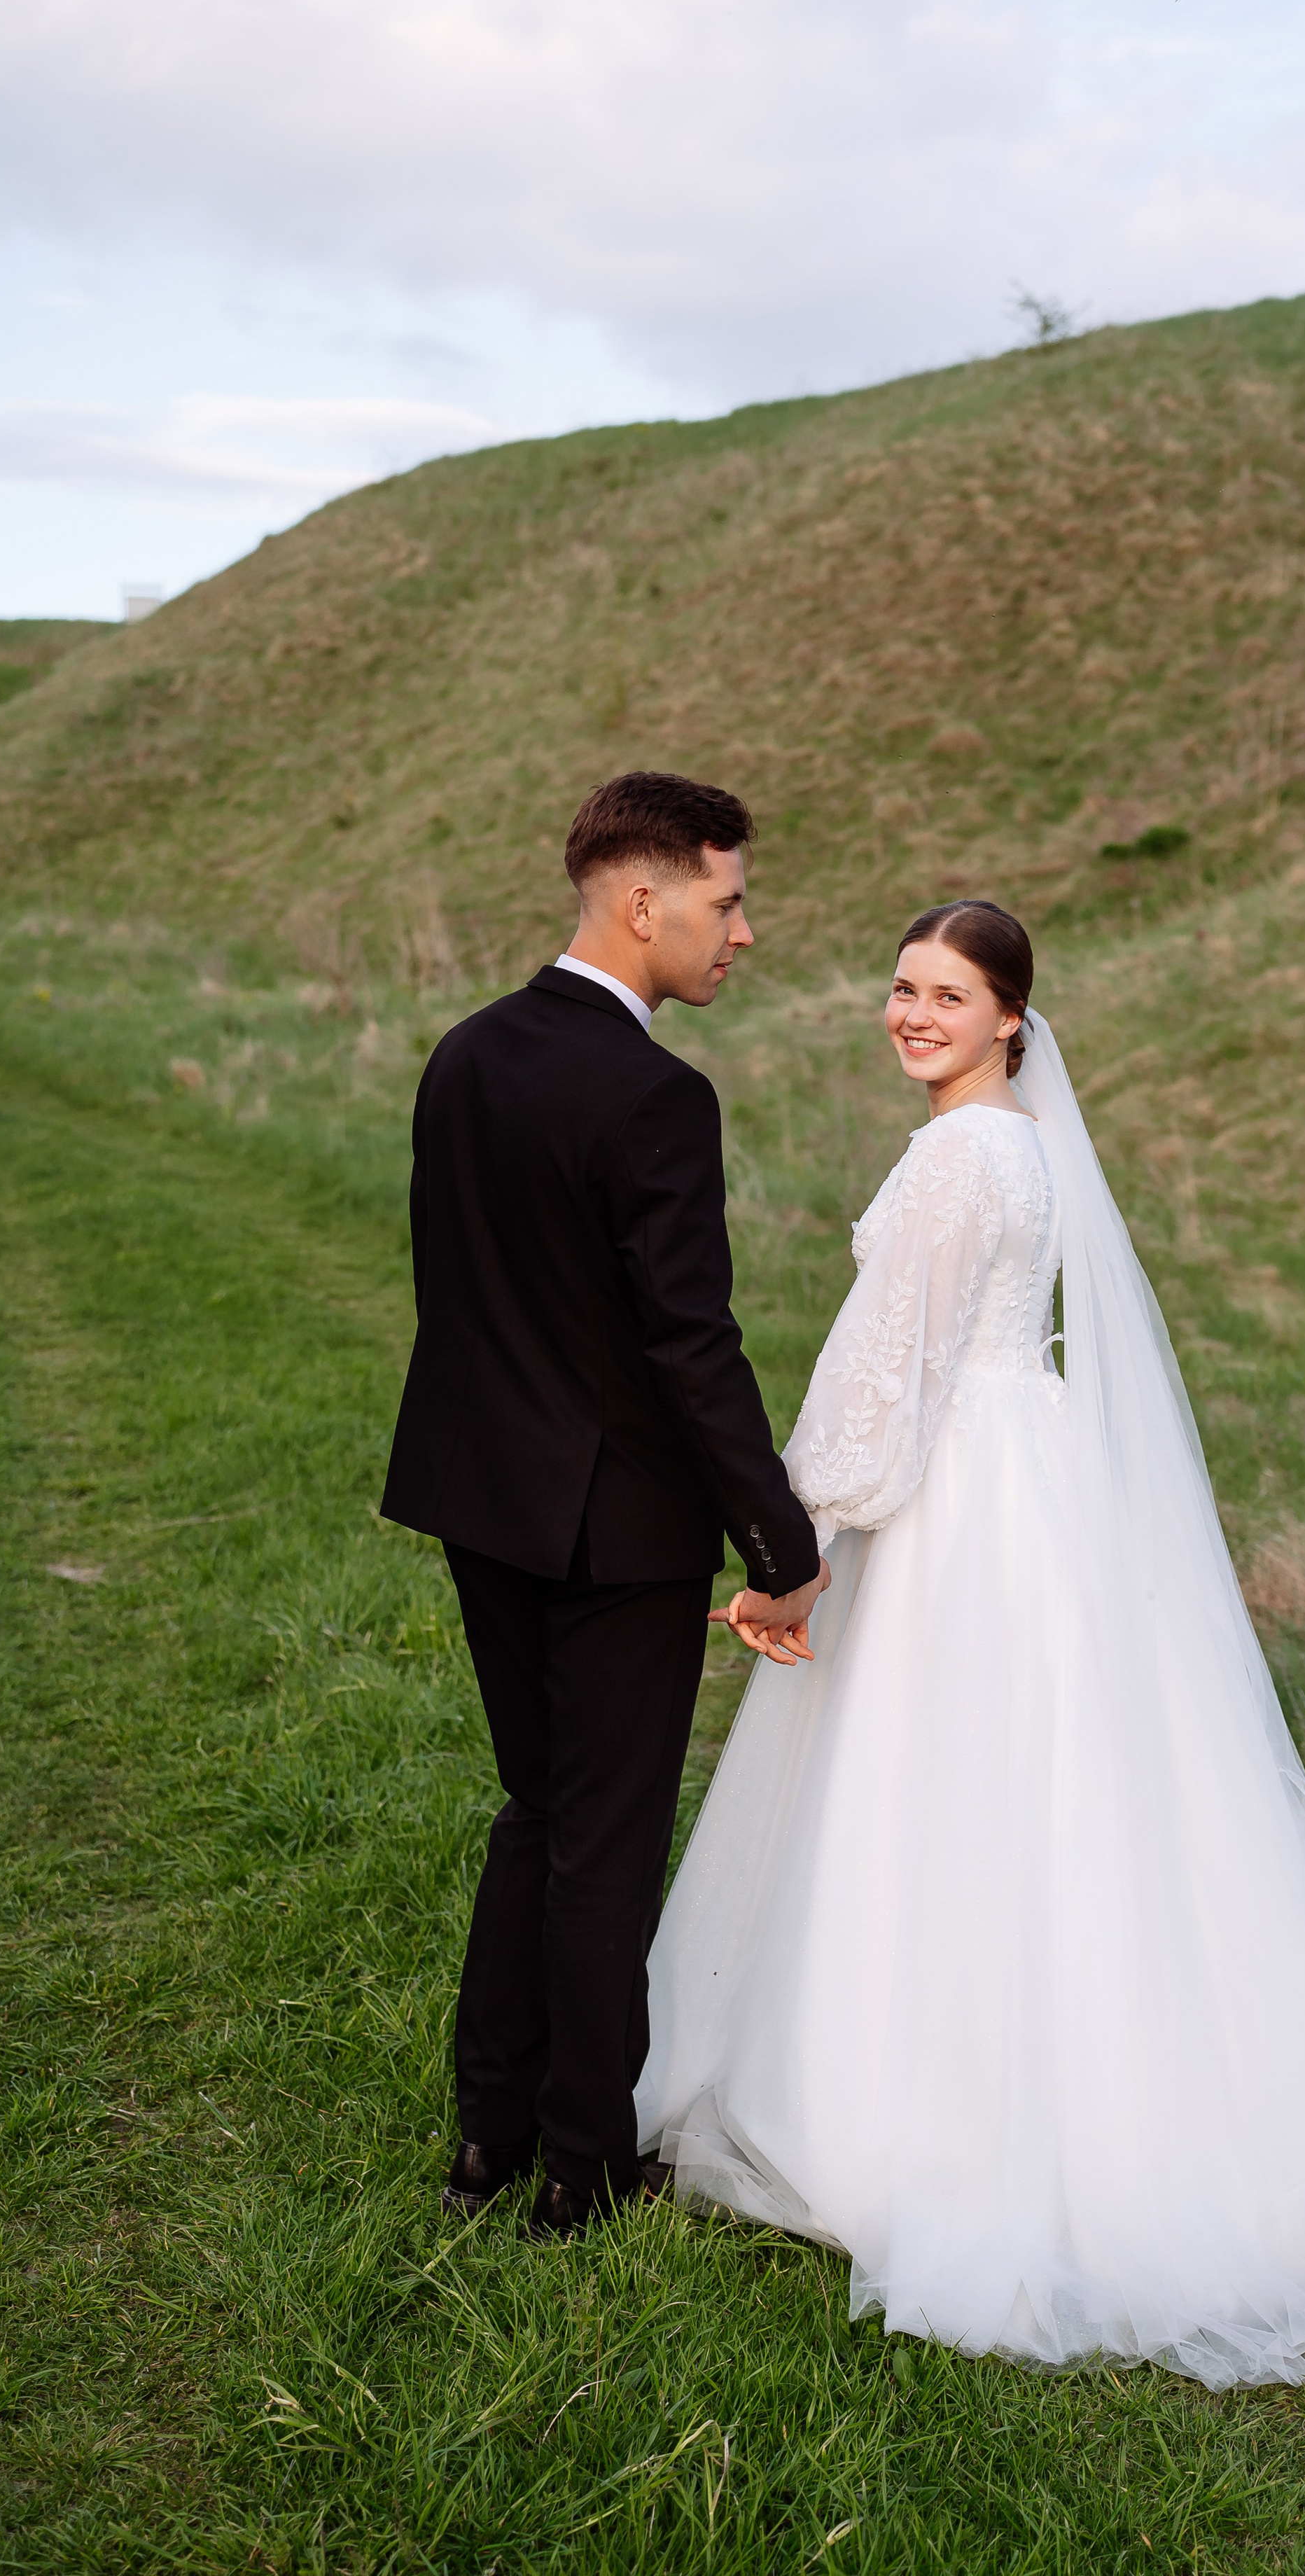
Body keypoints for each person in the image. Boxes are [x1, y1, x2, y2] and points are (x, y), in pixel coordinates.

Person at [637, 898, 1305, 2382]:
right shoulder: (1031, 1151)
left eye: (945, 993)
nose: (909, 1011)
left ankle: (911, 2125)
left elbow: (887, 1376)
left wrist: (792, 1557)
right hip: (1032, 1484)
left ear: (1009, 1017)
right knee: (1055, 1785)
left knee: (928, 1785)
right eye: (898, 984)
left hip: (949, 1502)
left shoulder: (950, 1159)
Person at [381, 772, 826, 2236]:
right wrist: (779, 1539)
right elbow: (687, 1346)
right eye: (726, 900)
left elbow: (463, 1292)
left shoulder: (463, 1055)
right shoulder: (652, 1095)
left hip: (477, 1499)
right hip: (615, 1531)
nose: (742, 934)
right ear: (644, 905)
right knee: (604, 1844)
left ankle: (482, 2138)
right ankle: (579, 2165)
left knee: (536, 1809)